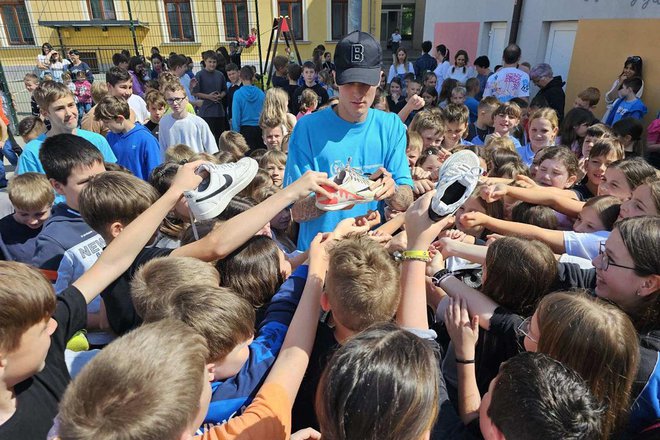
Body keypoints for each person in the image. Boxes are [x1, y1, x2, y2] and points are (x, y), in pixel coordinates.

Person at [283, 31, 412, 251]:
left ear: (380, 78)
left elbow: (406, 198)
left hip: (368, 256)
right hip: (318, 257)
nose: (357, 92)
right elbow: (296, 212)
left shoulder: (391, 126)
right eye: (348, 82)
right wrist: (336, 196)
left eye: (365, 83)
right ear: (335, 78)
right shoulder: (307, 128)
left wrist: (392, 191)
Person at [16, 81, 116, 186]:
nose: (69, 113)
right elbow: (30, 195)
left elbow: (112, 179)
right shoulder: (32, 151)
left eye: (71, 105)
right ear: (45, 113)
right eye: (59, 109)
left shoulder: (96, 140)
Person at [96, 96, 161, 180]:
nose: (105, 126)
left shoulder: (146, 140)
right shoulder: (110, 136)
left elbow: (155, 174)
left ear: (120, 119)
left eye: (107, 122)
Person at [0, 173, 53, 263]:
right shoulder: (2, 231)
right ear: (13, 205)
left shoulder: (59, 222)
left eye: (39, 214)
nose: (33, 221)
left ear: (51, 204)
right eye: (24, 214)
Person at [158, 82, 219, 157]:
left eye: (178, 99)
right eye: (170, 100)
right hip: (174, 167)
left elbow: (212, 150)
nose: (174, 103)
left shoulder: (199, 122)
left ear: (186, 99)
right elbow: (162, 149)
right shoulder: (164, 122)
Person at [193, 50, 228, 142]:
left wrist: (220, 95)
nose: (212, 64)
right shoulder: (199, 75)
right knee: (207, 139)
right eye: (210, 62)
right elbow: (195, 92)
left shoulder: (220, 75)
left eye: (214, 62)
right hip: (206, 112)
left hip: (219, 112)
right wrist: (209, 97)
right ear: (205, 62)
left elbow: (225, 90)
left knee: (220, 138)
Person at [232, 66, 266, 151]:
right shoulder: (260, 93)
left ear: (240, 77)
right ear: (253, 76)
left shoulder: (238, 94)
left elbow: (236, 115)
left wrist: (236, 132)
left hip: (245, 130)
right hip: (259, 129)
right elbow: (265, 112)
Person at [603, 55, 644, 121]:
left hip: (623, 115)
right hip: (610, 113)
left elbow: (633, 100)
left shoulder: (638, 83)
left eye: (631, 69)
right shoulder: (619, 80)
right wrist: (619, 83)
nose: (627, 70)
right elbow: (609, 99)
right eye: (626, 68)